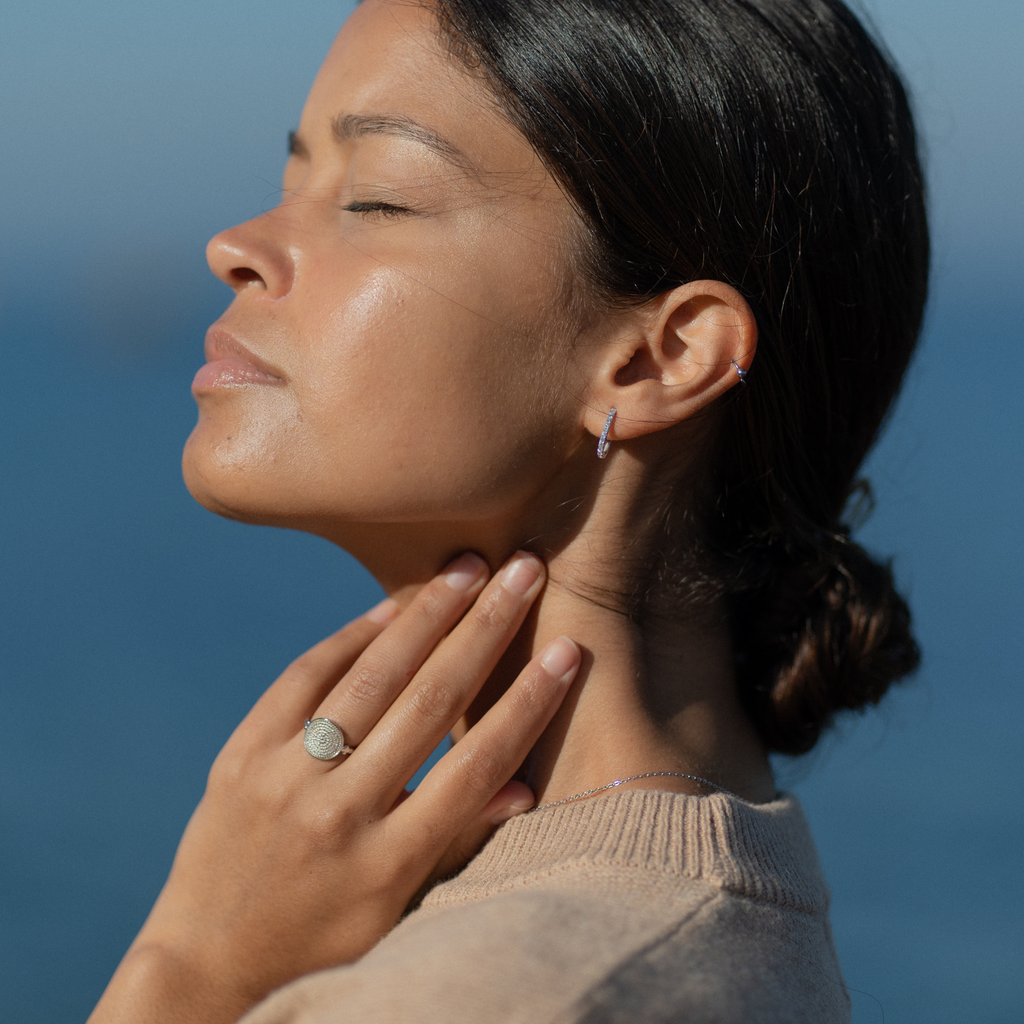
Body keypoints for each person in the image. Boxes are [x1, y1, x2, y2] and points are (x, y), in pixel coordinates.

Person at [88, 0, 928, 1021]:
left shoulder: (492, 992)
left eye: (379, 200)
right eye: (290, 178)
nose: (235, 245)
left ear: (657, 358)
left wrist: (193, 969)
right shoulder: (713, 905)